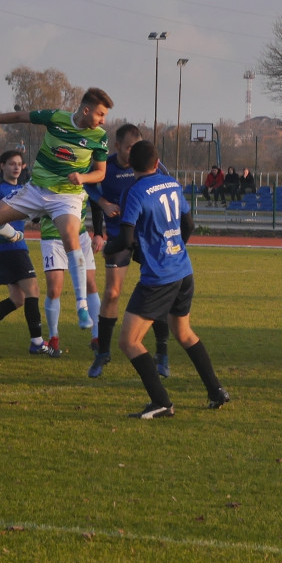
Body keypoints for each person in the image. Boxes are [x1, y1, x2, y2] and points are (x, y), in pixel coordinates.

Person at [0, 88, 113, 333]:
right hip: (36, 190)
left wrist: (83, 177)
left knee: (70, 237)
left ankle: (82, 307)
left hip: (67, 197)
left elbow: (101, 172)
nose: (103, 120)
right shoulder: (55, 118)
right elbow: (19, 117)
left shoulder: (99, 136)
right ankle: (11, 234)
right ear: (86, 110)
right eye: (100, 114)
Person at [107, 140, 230, 419]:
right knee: (184, 333)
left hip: (159, 278)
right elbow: (188, 224)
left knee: (128, 341)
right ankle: (216, 390)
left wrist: (107, 247)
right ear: (157, 160)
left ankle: (161, 402)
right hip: (183, 270)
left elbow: (126, 238)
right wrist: (175, 248)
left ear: (130, 165)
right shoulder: (172, 183)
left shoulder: (134, 192)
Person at [85, 123, 173, 378]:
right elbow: (90, 188)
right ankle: (103, 353)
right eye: (128, 148)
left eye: (136, 147)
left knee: (156, 293)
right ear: (117, 147)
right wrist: (103, 205)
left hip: (149, 237)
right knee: (112, 293)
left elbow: (167, 189)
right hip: (119, 235)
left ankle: (162, 353)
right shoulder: (106, 167)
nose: (133, 153)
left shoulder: (152, 166)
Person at [0, 150, 51, 355]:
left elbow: (35, 217)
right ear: (2, 165)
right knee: (33, 291)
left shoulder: (24, 189)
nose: (16, 167)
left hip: (10, 250)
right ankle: (37, 342)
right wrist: (7, 232)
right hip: (12, 249)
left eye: (19, 164)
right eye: (11, 163)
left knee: (18, 299)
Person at [38, 193, 103, 358]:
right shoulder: (46, 176)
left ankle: (97, 337)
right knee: (54, 289)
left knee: (90, 283)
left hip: (79, 236)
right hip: (52, 238)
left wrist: (98, 233)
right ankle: (54, 338)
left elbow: (96, 203)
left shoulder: (83, 176)